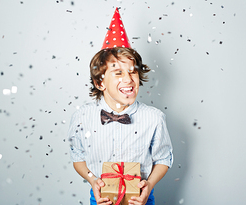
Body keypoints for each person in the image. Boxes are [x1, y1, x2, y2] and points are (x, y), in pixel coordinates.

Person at [68, 8, 173, 205]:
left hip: (141, 197)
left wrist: (149, 185)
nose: (128, 79)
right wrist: (93, 180)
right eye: (117, 73)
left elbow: (163, 159)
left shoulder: (154, 118)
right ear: (100, 83)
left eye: (132, 72)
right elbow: (78, 156)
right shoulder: (82, 117)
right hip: (101, 197)